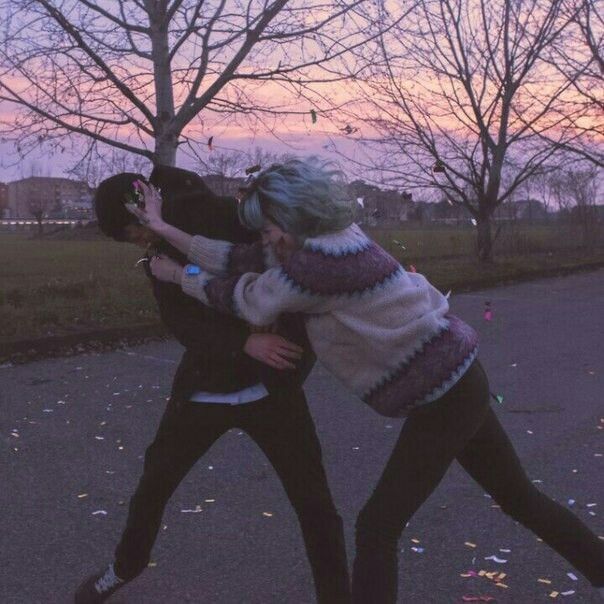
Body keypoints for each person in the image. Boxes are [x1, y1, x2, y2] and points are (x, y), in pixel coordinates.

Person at [133, 159, 604, 604]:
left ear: (290, 219)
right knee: (518, 497)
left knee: (378, 526)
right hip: (459, 378)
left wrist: (179, 274)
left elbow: (249, 298)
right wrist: (165, 230)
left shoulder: (315, 267)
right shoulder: (330, 236)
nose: (264, 237)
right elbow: (241, 257)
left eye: (267, 226)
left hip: (444, 397)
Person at [74, 166, 351, 604]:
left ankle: (336, 596)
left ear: (141, 210)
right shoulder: (158, 253)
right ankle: (125, 567)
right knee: (154, 483)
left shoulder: (228, 215)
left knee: (313, 501)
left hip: (271, 390)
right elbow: (182, 322)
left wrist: (284, 355)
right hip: (204, 388)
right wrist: (244, 342)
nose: (138, 241)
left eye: (131, 232)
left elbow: (285, 274)